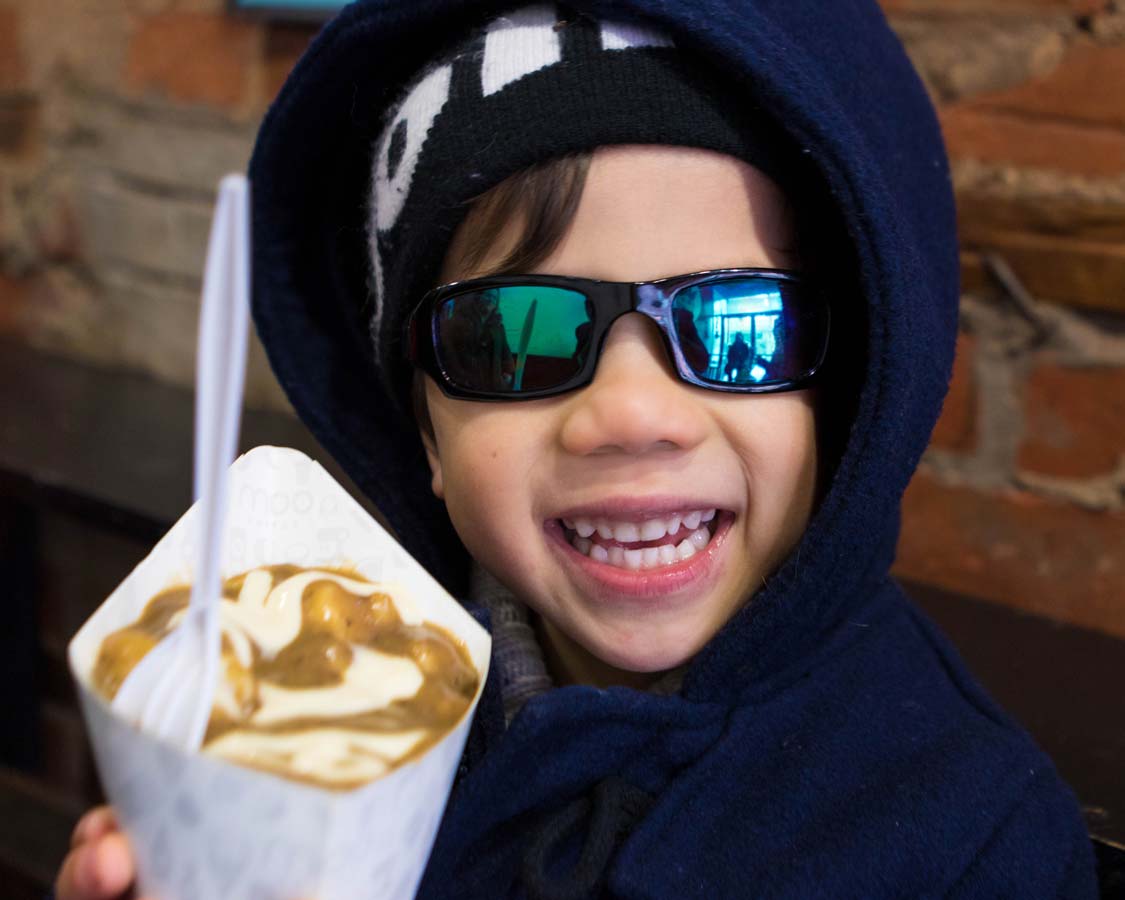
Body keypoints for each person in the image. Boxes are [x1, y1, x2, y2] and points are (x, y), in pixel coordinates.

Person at [56, 2, 1097, 898]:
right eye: (514, 336)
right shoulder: (321, 719)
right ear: (421, 423)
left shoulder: (974, 839)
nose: (634, 415)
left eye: (740, 325)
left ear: (847, 389)